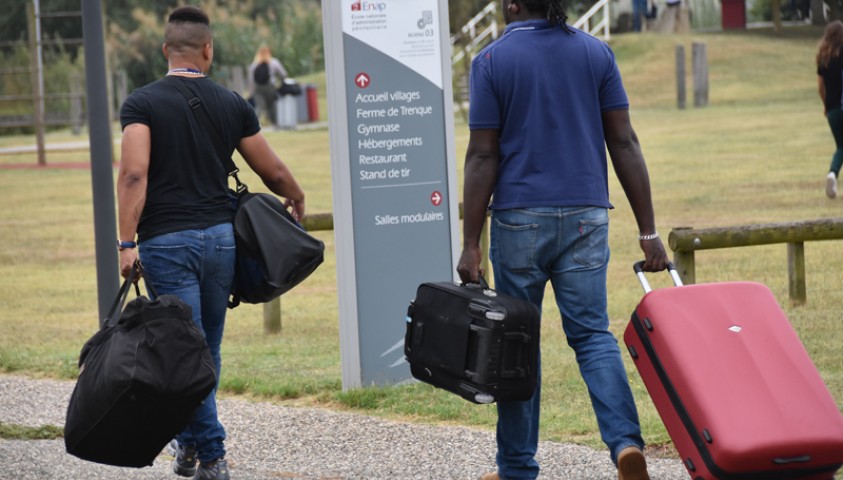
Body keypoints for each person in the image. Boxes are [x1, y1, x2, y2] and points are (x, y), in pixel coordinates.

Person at [456, 1, 669, 479]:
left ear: (512, 4)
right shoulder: (597, 54)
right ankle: (625, 446)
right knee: (593, 336)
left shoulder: (491, 62)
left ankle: (515, 468)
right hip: (586, 216)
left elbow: (482, 156)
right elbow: (625, 142)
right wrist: (648, 231)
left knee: (516, 341)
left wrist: (471, 242)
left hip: (519, 221)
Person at [117, 6, 305, 480]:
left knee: (184, 352)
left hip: (166, 243)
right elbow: (273, 170)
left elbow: (134, 173)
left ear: (165, 50)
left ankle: (212, 454)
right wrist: (296, 196)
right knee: (206, 351)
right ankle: (189, 446)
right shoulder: (231, 102)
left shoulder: (141, 103)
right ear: (208, 50)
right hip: (222, 242)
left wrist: (125, 243)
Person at [816, 20, 843, 199]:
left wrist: (826, 106)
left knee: (841, 146)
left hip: (833, 110)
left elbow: (820, 87)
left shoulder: (823, 59)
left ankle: (832, 174)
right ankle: (832, 174)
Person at [248, 45, 288, 129]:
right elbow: (283, 74)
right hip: (270, 87)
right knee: (271, 106)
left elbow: (251, 80)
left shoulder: (254, 64)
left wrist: (251, 92)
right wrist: (280, 84)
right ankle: (275, 124)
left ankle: (253, 125)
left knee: (259, 106)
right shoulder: (274, 62)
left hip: (258, 88)